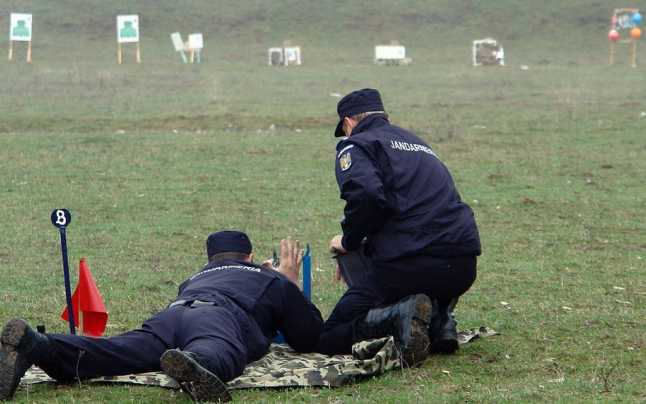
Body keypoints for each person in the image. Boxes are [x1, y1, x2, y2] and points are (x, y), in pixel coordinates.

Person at [0, 231, 322, 402]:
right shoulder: (267, 278)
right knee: (219, 349)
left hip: (170, 316)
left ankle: (38, 345)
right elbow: (309, 336)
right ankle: (194, 364)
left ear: (209, 259)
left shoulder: (197, 276)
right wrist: (289, 282)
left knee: (112, 352)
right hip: (216, 317)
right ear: (250, 257)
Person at [316, 88, 481, 363]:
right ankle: (440, 322)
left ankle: (398, 317)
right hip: (463, 266)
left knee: (327, 337)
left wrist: (348, 242)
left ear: (348, 123)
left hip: (412, 266)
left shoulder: (356, 146)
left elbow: (367, 197)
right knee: (417, 251)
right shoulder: (417, 143)